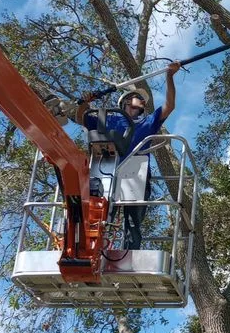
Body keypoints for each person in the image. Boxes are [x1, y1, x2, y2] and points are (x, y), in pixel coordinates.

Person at [75, 62, 181, 249]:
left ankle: (130, 252)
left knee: (133, 222)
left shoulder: (147, 122)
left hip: (135, 174)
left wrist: (170, 77)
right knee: (97, 216)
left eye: (142, 100)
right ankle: (92, 249)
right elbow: (80, 117)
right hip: (105, 171)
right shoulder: (107, 119)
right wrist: (85, 102)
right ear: (125, 102)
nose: (141, 101)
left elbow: (169, 105)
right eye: (137, 98)